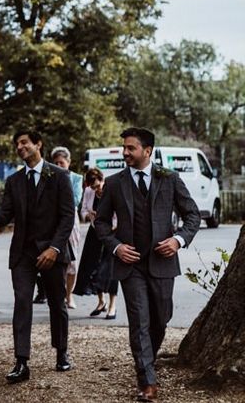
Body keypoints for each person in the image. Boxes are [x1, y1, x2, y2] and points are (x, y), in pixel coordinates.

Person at [95, 127, 200, 402]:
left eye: (131, 148)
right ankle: (147, 381)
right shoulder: (115, 183)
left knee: (160, 321)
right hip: (130, 267)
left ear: (148, 151)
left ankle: (146, 361)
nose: (125, 153)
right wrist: (116, 247)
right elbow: (101, 222)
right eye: (124, 148)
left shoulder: (170, 179)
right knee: (139, 322)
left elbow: (192, 216)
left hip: (163, 263)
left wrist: (178, 240)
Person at [0, 130, 75, 384]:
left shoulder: (59, 176)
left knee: (58, 303)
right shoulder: (14, 181)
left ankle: (62, 352)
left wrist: (54, 249)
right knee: (22, 302)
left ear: (38, 144)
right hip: (23, 252)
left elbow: (68, 217)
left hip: (52, 252)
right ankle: (21, 362)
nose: (20, 147)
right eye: (17, 144)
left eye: (24, 142)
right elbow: (5, 215)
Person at [73, 168, 118, 319]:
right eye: (93, 187)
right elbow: (83, 210)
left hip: (112, 232)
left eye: (98, 186)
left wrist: (112, 227)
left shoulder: (111, 189)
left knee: (110, 269)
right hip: (95, 231)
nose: (96, 190)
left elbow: (119, 213)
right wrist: (89, 214)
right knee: (92, 266)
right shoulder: (88, 191)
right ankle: (101, 301)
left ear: (102, 180)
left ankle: (113, 305)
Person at [50, 147, 83, 309]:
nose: (58, 165)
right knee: (57, 258)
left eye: (61, 163)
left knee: (72, 260)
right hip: (53, 221)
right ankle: (59, 294)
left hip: (70, 221)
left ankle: (69, 295)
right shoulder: (49, 178)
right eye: (55, 163)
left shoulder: (76, 179)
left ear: (68, 163)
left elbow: (76, 200)